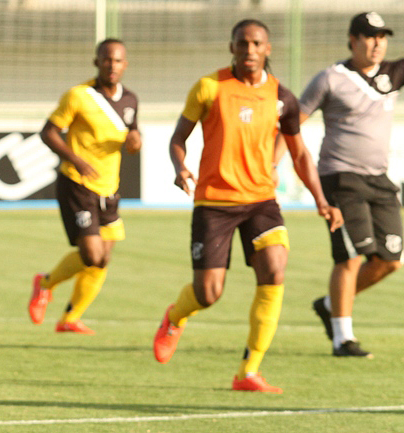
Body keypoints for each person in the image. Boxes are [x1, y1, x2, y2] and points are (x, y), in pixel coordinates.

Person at [153, 20, 343, 393]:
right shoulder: (209, 88)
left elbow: (299, 152)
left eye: (257, 43)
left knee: (275, 268)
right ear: (232, 48)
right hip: (214, 202)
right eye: (243, 43)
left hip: (260, 201)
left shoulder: (282, 99)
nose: (250, 49)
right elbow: (178, 138)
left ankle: (248, 371)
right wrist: (180, 167)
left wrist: (321, 200)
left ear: (268, 49)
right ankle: (175, 317)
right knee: (208, 293)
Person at [297, 12, 404, 358]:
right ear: (353, 39)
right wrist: (270, 163)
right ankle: (343, 338)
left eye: (382, 37)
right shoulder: (331, 78)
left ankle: (330, 304)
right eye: (370, 37)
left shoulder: (393, 73)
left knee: (390, 259)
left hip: (380, 177)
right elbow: (292, 123)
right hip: (340, 178)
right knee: (350, 257)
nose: (377, 44)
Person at [28, 38, 141, 335]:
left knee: (103, 259)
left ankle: (70, 318)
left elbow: (131, 136)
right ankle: (45, 283)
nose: (112, 65)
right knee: (91, 254)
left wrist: (135, 142)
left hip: (109, 187)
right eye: (107, 60)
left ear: (125, 65)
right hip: (77, 184)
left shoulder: (131, 100)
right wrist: (75, 159)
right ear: (96, 62)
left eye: (118, 61)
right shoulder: (79, 96)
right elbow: (48, 132)